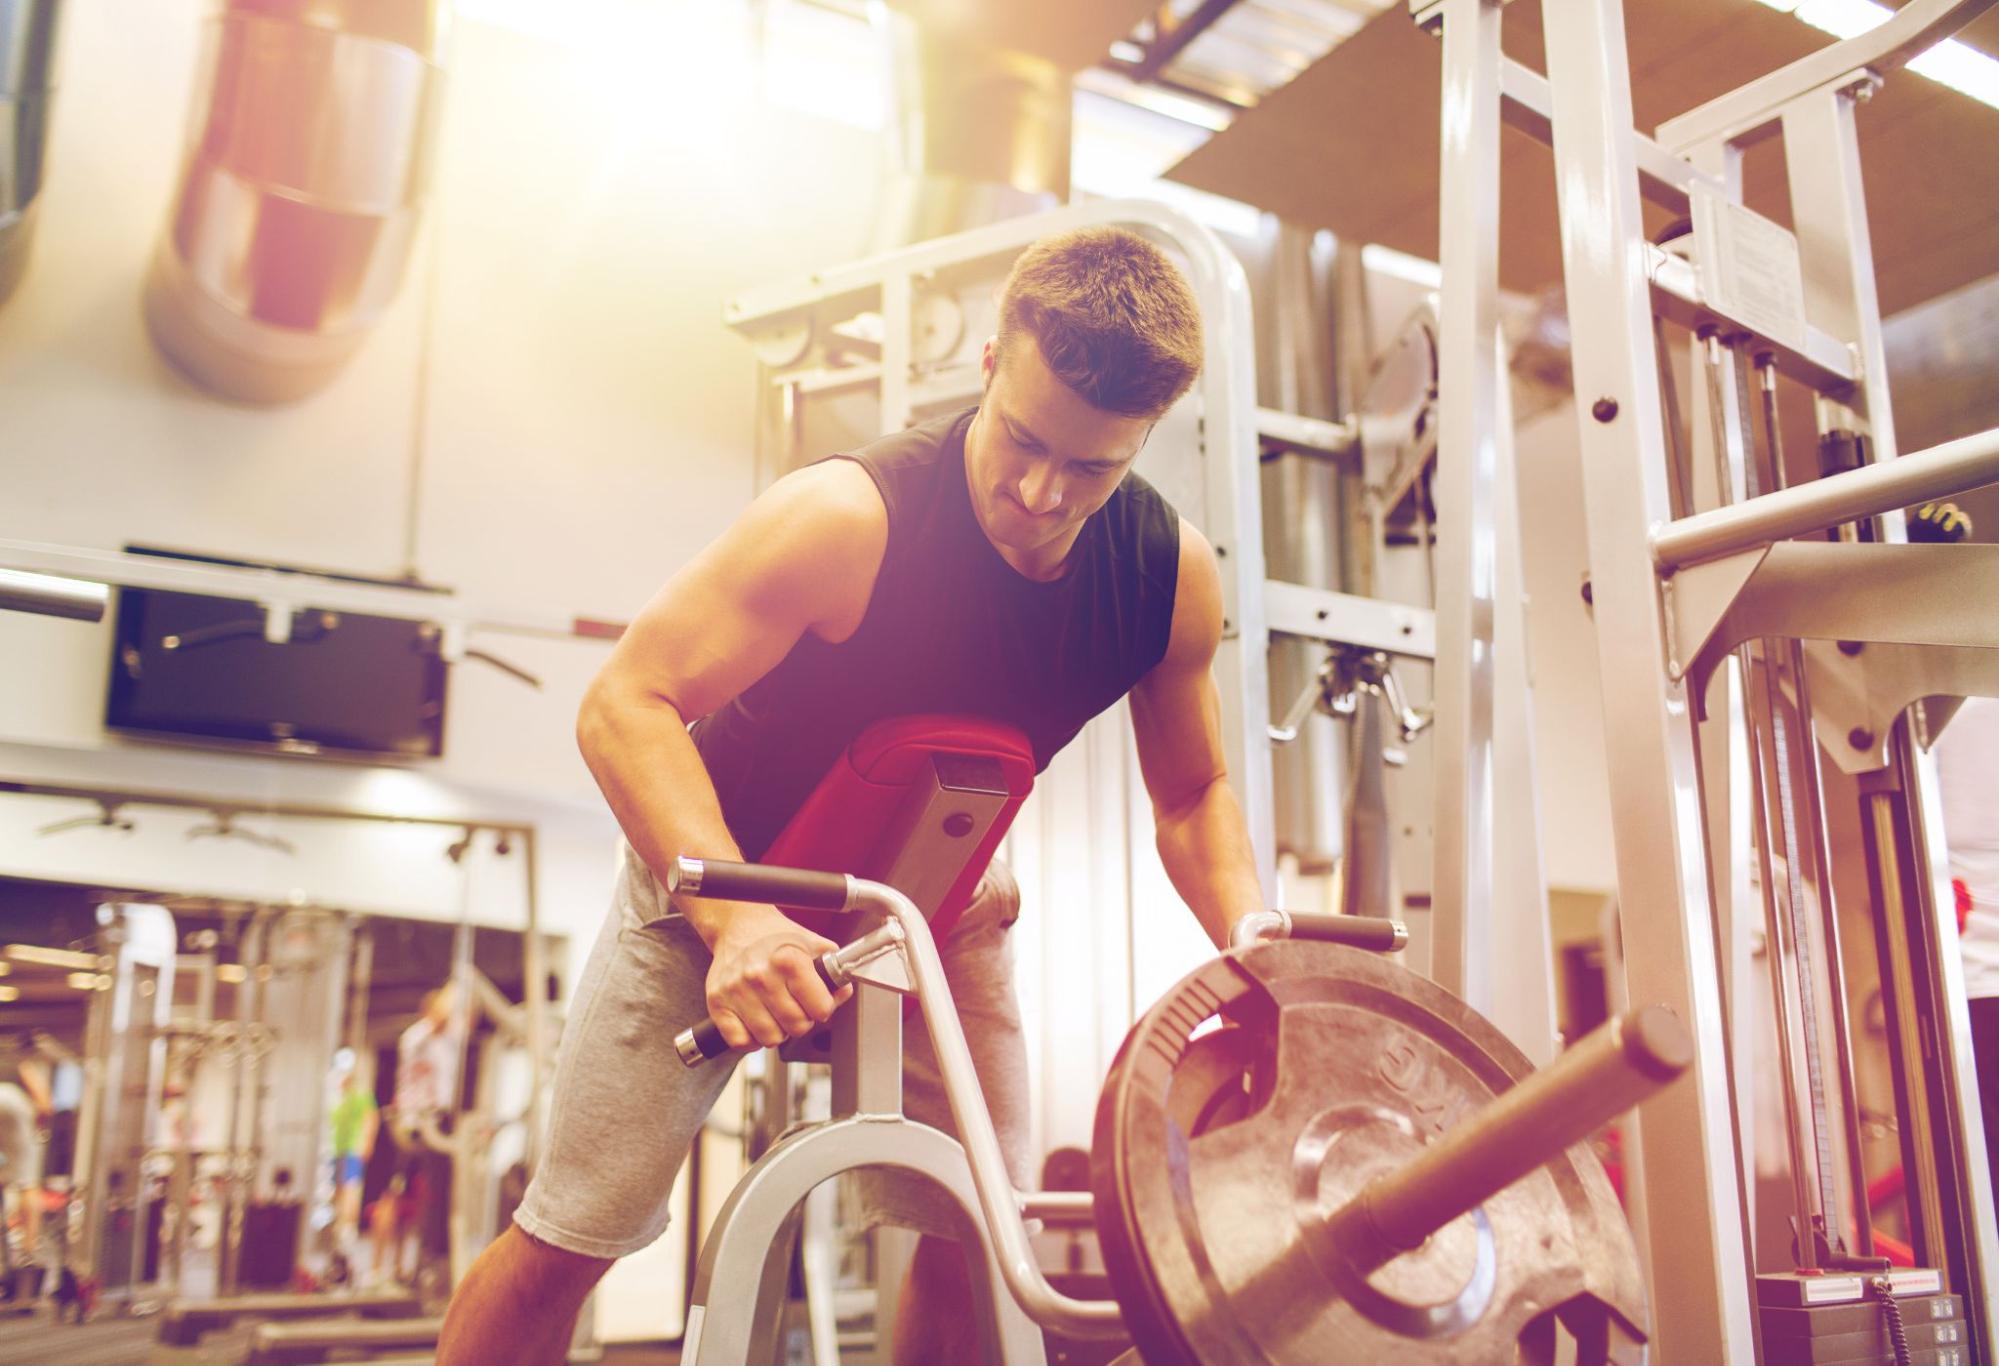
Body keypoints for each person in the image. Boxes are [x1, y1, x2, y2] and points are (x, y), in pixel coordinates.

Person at [438, 226, 1271, 1365]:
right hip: (724, 864)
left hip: (942, 894)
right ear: (987, 363)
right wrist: (733, 918)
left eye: (1091, 467)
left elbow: (1194, 793)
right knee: (578, 1231)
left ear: (1145, 439)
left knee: (984, 1231)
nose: (1040, 491)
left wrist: (1260, 945)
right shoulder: (845, 519)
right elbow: (625, 703)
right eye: (1023, 440)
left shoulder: (1171, 576)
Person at [381, 983, 465, 1286]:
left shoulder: (450, 1037)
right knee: (398, 1195)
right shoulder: (417, 1037)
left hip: (437, 1120)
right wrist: (458, 983)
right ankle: (387, 1267)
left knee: (432, 1197)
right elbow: (444, 1014)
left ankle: (426, 1260)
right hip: (414, 1121)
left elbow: (463, 1013)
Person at [326, 1048, 378, 1269]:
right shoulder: (339, 1099)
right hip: (336, 1150)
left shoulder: (361, 1096)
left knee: (350, 1191)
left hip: (352, 1151)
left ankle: (348, 1231)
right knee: (337, 1191)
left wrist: (365, 1144)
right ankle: (336, 1229)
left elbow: (371, 1119)